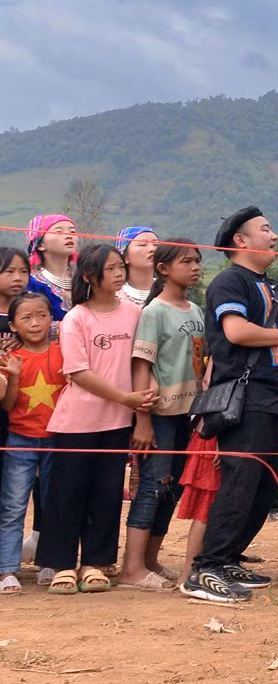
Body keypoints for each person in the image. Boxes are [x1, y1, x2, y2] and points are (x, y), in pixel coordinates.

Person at [181, 208, 278, 604]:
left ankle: (228, 558)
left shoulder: (271, 286)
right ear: (240, 241)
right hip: (246, 394)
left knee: (267, 481)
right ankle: (205, 569)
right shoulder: (229, 281)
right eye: (266, 229)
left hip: (272, 394)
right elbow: (236, 332)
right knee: (240, 481)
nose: (274, 236)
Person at [41, 245, 156, 595]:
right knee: (67, 493)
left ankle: (96, 563)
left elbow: (142, 363)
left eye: (121, 266)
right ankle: (61, 564)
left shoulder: (135, 314)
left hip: (118, 422)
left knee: (106, 494)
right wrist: (126, 398)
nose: (119, 273)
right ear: (91, 277)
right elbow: (77, 371)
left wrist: (140, 412)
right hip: (76, 422)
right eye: (111, 269)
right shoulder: (77, 317)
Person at [123, 237, 204, 591]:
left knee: (171, 488)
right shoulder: (154, 311)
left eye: (198, 260)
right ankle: (131, 568)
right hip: (160, 414)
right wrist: (142, 419)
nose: (196, 267)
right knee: (153, 485)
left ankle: (151, 559)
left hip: (188, 411)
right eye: (187, 261)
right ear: (163, 269)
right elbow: (142, 366)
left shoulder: (195, 310)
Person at [0, 291, 62, 593]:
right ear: (12, 325)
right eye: (26, 317)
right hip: (20, 439)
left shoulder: (63, 353)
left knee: (52, 503)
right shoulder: (11, 358)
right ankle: (7, 568)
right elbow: (9, 406)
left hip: (56, 440)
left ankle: (49, 562)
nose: (35, 322)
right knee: (13, 504)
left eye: (41, 315)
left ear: (52, 318)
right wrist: (12, 376)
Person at [24, 214, 79, 324]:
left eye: (72, 232)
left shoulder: (85, 280)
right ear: (40, 245)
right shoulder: (30, 283)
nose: (69, 236)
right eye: (59, 231)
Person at [116, 227, 159, 308]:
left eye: (156, 244)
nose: (152, 249)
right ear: (125, 257)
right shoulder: (113, 294)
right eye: (143, 244)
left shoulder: (169, 290)